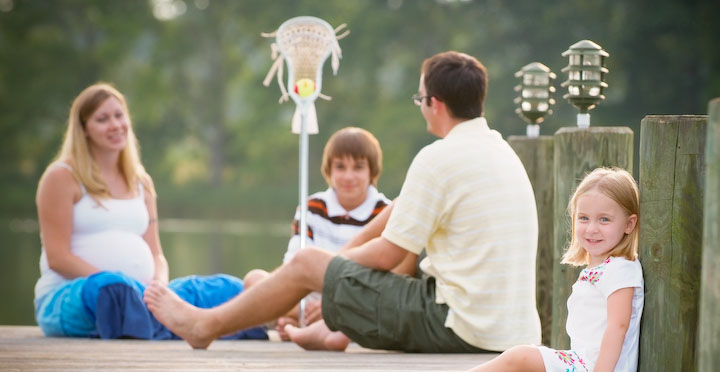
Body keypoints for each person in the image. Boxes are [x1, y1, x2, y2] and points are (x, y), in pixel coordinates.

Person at [144, 51, 541, 353]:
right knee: (323, 260)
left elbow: (389, 255)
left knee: (303, 261)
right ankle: (322, 324)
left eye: (419, 97)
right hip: (508, 332)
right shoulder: (498, 151)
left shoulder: (437, 159)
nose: (420, 105)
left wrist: (322, 272)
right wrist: (331, 276)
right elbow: (399, 213)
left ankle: (205, 327)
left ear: (434, 103)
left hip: (458, 326)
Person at [33, 82, 265, 340]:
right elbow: (58, 258)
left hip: (142, 295)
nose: (115, 125)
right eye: (102, 119)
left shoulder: (141, 182)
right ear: (84, 129)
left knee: (227, 290)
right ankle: (181, 324)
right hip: (75, 296)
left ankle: (170, 320)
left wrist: (160, 291)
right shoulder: (62, 177)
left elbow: (156, 254)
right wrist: (126, 288)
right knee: (113, 290)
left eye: (119, 115)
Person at [400, 167, 643, 372]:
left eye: (604, 219)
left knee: (520, 356)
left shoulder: (620, 270)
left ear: (629, 224)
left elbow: (617, 326)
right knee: (529, 353)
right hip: (588, 367)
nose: (592, 228)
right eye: (584, 218)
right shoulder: (601, 269)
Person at [242, 127, 391, 344]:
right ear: (329, 170)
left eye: (358, 167)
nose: (349, 176)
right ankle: (296, 319)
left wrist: (331, 304)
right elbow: (292, 263)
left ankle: (309, 323)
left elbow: (380, 275)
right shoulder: (312, 207)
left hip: (353, 299)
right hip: (306, 292)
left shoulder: (384, 211)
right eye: (340, 167)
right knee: (254, 280)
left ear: (372, 171)